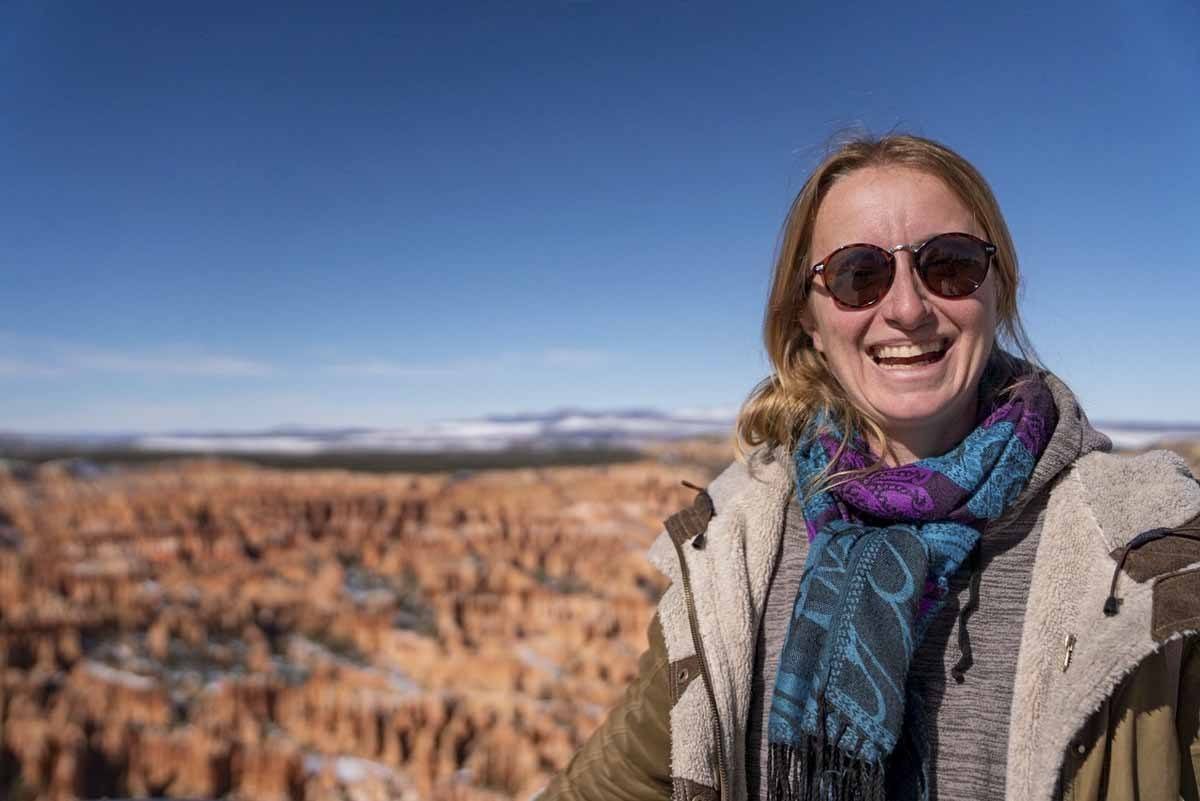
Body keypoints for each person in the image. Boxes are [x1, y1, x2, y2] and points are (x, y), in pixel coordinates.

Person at [539, 133, 1200, 801]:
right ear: (809, 315)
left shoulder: (1146, 550)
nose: (908, 308)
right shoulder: (737, 544)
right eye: (860, 275)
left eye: (950, 265)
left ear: (999, 286)